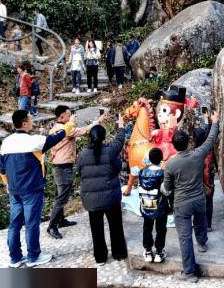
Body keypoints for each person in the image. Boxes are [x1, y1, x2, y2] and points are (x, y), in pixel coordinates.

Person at [0, 110, 74, 268]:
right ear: (25, 124)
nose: (33, 121)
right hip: (32, 189)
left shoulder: (6, 143)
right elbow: (56, 138)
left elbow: (2, 170)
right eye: (31, 119)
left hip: (14, 190)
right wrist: (69, 125)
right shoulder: (34, 141)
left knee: (14, 225)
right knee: (31, 224)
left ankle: (15, 258)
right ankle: (33, 256)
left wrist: (7, 185)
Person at [162, 111, 220, 283]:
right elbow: (210, 140)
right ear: (188, 142)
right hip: (199, 199)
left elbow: (168, 188)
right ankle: (202, 243)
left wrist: (164, 189)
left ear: (174, 146)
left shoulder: (170, 164)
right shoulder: (198, 154)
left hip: (181, 204)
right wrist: (215, 122)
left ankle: (189, 272)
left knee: (185, 237)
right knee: (201, 221)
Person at [46, 105, 106, 239]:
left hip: (58, 165)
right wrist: (98, 122)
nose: (72, 117)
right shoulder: (64, 129)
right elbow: (83, 131)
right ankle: (52, 226)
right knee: (62, 197)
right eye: (69, 115)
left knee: (59, 194)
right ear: (62, 116)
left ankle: (60, 220)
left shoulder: (56, 128)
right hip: (63, 166)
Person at [76, 118, 128, 265]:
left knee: (96, 228)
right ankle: (118, 253)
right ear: (104, 137)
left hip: (91, 199)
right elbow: (119, 142)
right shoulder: (110, 151)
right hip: (111, 197)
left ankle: (100, 257)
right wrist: (121, 127)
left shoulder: (83, 154)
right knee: (115, 225)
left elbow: (79, 171)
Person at [132, 148, 169, 264]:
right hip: (160, 206)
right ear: (161, 159)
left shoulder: (142, 172)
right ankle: (159, 253)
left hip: (146, 205)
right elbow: (166, 191)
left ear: (149, 159)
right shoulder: (162, 173)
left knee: (147, 227)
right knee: (161, 229)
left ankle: (148, 251)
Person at [193, 122, 217, 232]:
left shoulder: (193, 153)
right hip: (208, 182)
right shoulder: (209, 151)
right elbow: (210, 169)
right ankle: (208, 225)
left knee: (198, 203)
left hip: (198, 183)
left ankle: (199, 224)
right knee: (209, 202)